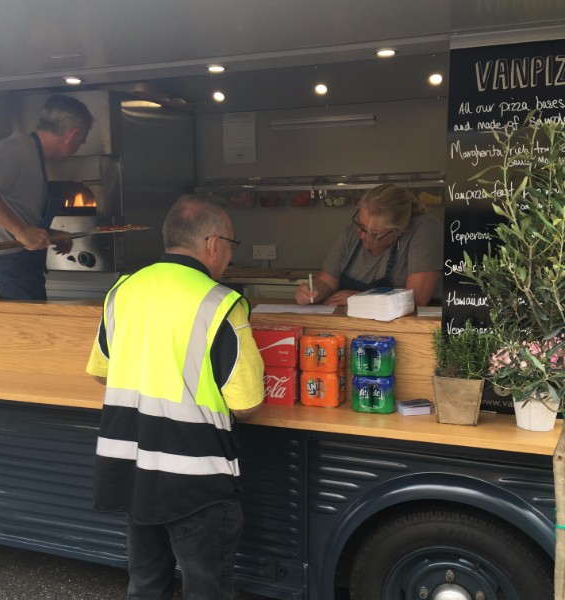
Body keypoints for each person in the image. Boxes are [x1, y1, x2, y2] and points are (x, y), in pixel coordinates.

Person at [86, 194, 264, 600]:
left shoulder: (123, 291)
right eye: (231, 247)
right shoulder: (221, 304)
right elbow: (246, 404)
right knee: (207, 589)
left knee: (146, 585)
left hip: (133, 468)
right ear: (214, 244)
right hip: (195, 478)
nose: (229, 257)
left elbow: (102, 372)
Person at [0, 94, 94, 300]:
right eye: (80, 142)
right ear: (72, 134)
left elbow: (16, 213)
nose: (78, 147)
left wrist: (49, 234)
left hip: (17, 269)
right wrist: (21, 230)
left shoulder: (33, 156)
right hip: (2, 273)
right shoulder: (17, 151)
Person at [295, 183, 443, 307]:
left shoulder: (425, 229)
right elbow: (326, 282)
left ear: (399, 230)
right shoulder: (350, 235)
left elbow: (416, 299)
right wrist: (312, 290)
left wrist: (362, 299)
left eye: (374, 233)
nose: (362, 234)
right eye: (360, 224)